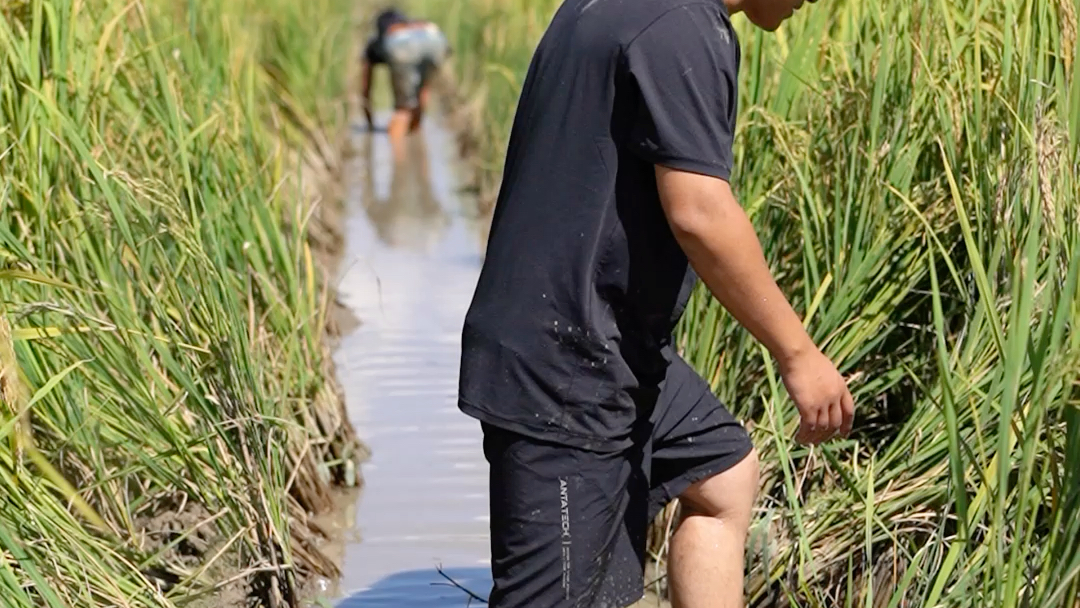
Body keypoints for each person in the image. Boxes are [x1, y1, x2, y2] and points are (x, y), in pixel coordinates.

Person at [457, 0, 851, 606]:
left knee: (722, 475)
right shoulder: (681, 29)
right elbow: (699, 212)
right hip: (566, 369)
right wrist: (798, 355)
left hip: (602, 343)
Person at [359, 8, 450, 159]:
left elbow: (366, 88)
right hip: (435, 38)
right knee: (421, 91)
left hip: (402, 45)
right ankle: (419, 160)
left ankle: (399, 169)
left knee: (402, 111)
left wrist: (369, 123)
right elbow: (422, 93)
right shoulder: (413, 25)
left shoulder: (377, 43)